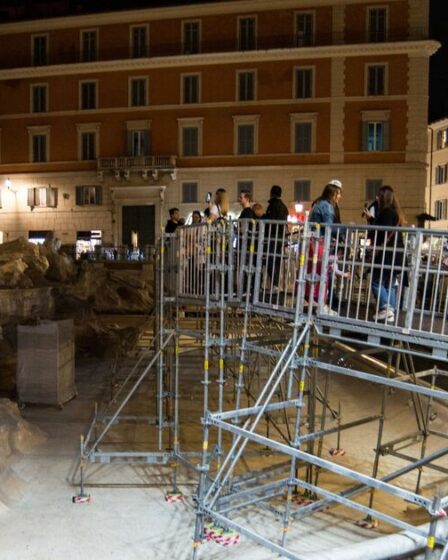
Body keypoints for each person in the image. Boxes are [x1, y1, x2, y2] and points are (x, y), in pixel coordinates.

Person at [370, 185, 406, 322]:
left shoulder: (386, 213)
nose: (377, 199)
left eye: (378, 197)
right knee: (389, 284)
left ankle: (386, 308)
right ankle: (390, 312)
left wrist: (372, 222)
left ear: (382, 198)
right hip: (397, 255)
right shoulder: (396, 213)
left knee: (376, 282)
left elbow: (379, 233)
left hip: (388, 254)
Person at [264, 185, 289, 292]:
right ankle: (276, 284)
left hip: (272, 236)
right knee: (277, 260)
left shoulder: (273, 205)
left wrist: (263, 217)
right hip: (280, 236)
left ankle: (274, 284)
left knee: (269, 259)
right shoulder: (284, 207)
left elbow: (269, 220)